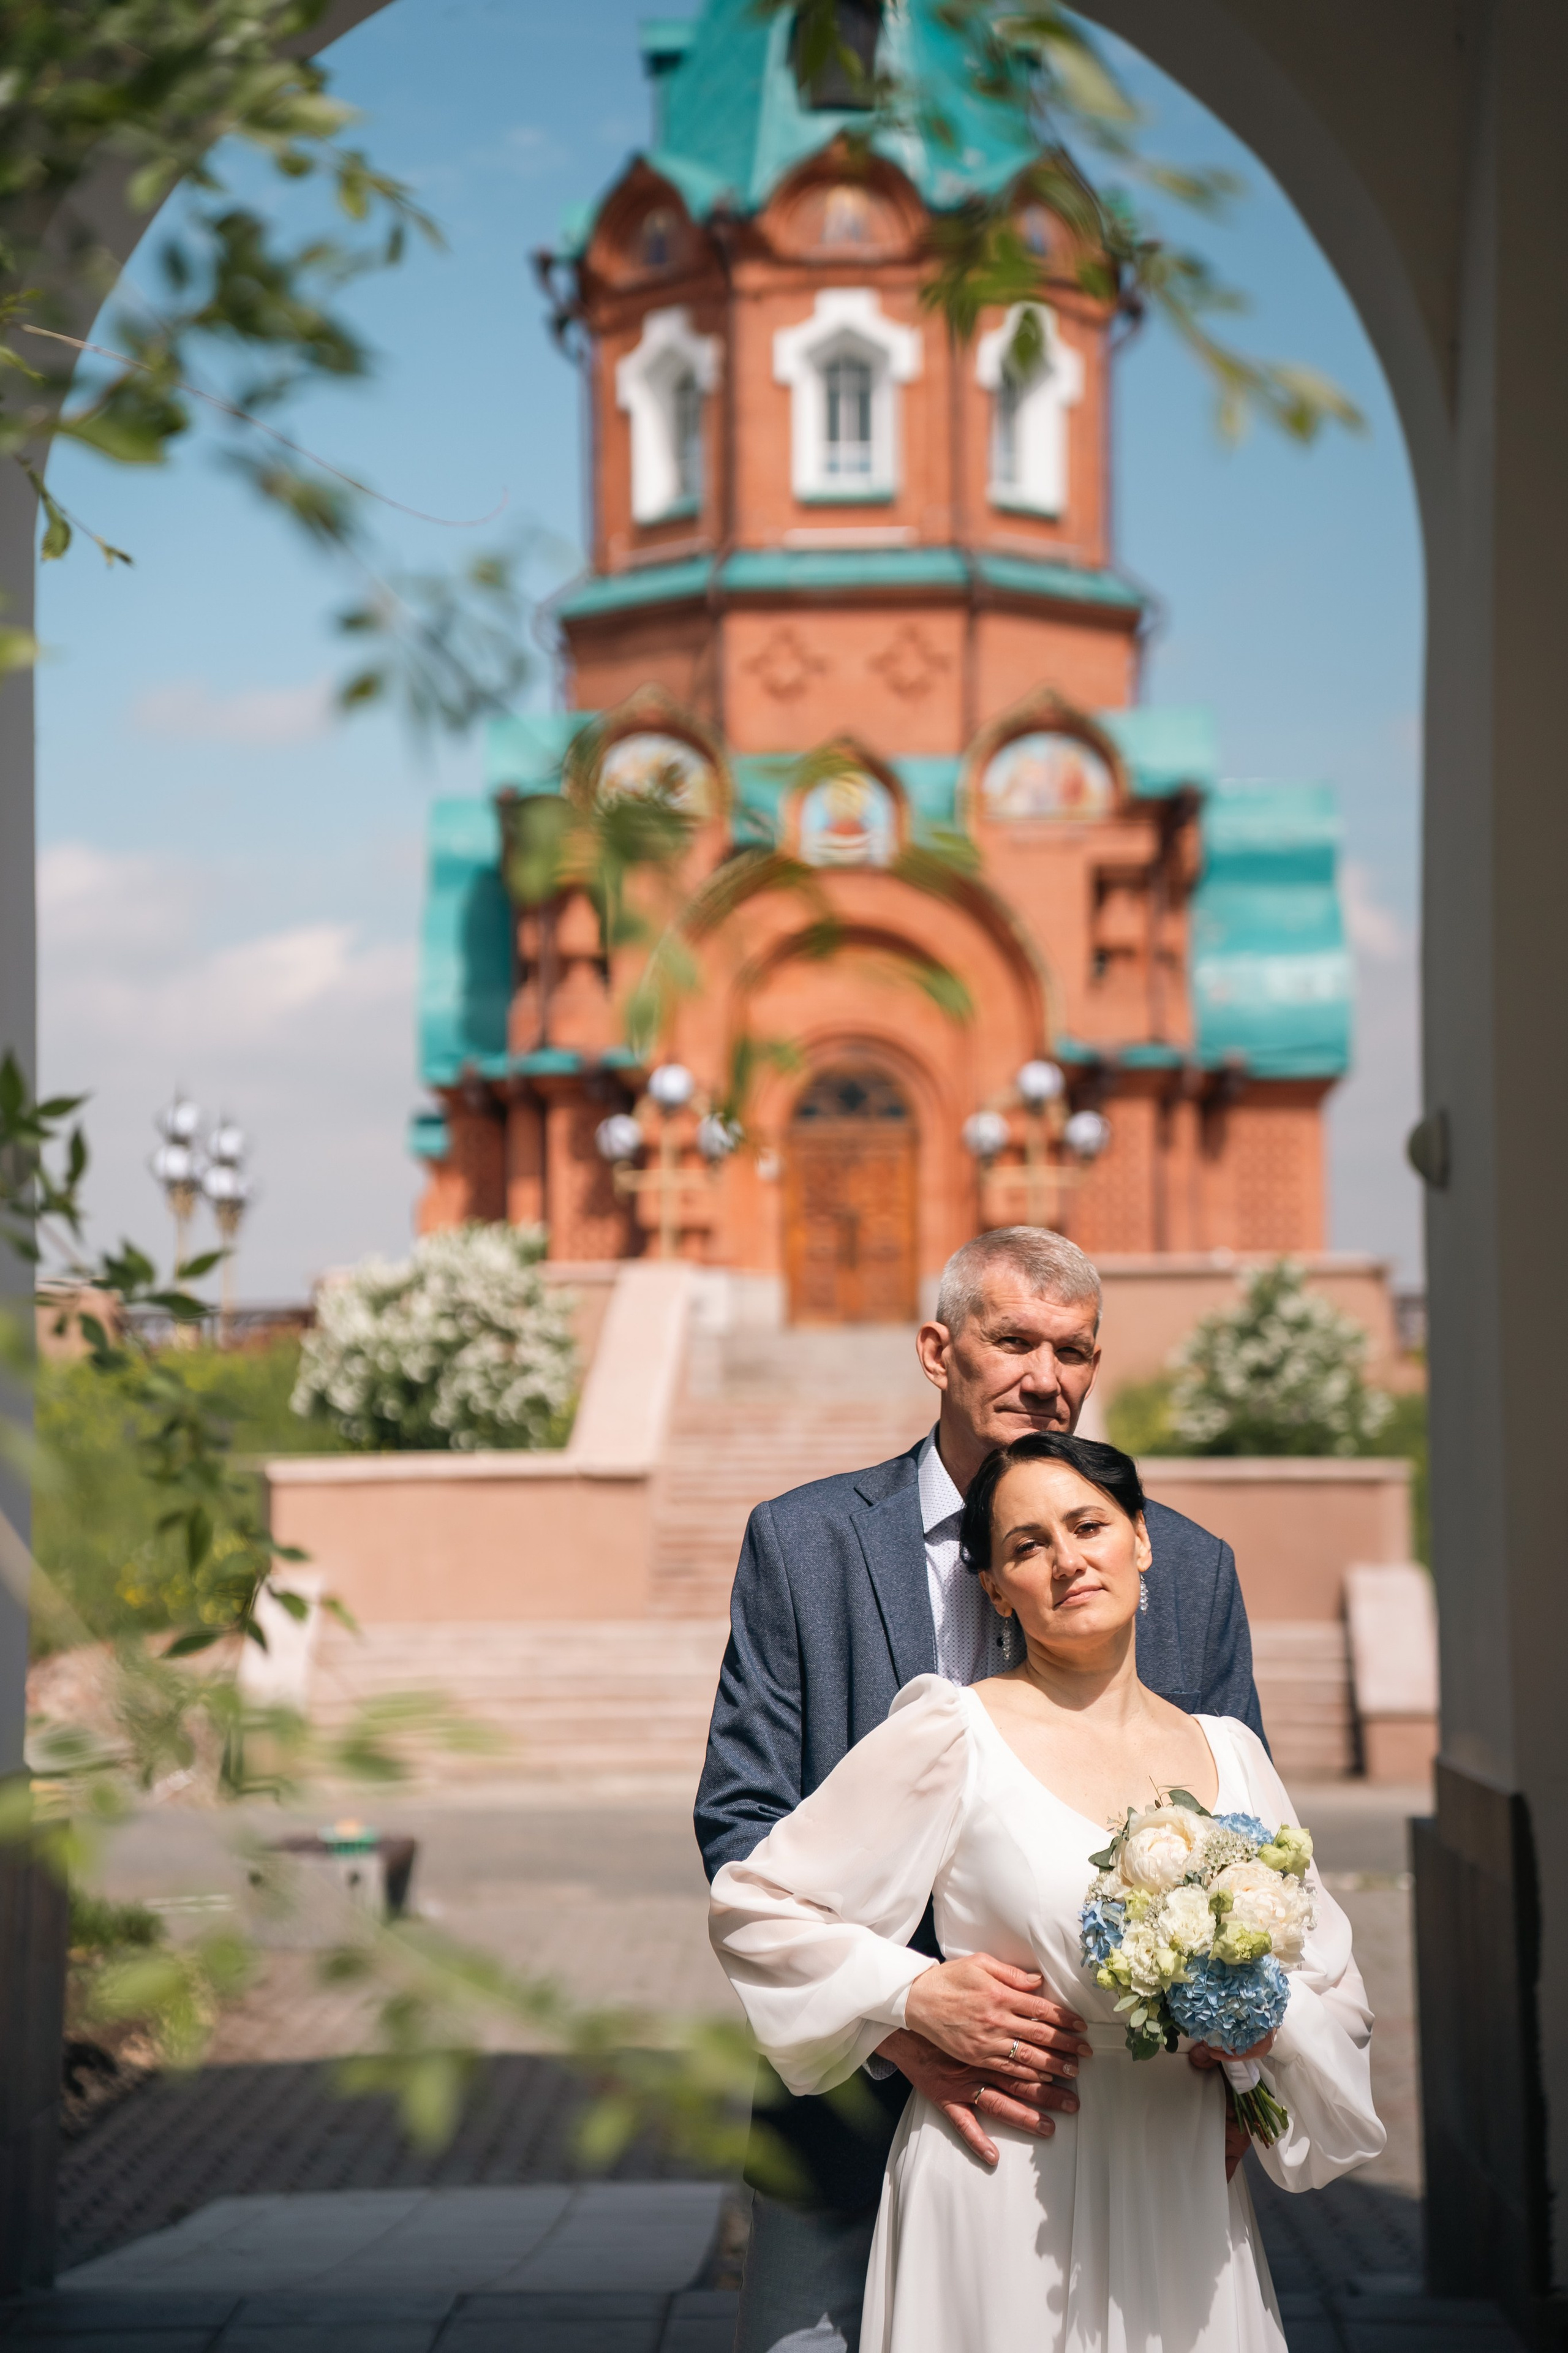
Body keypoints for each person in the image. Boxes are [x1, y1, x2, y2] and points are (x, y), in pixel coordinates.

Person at [695, 1226, 1267, 2352]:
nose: (1046, 1377)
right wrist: (899, 2016)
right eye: (1013, 1341)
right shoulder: (802, 1545)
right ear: (936, 1348)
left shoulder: (1186, 1568)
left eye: (1074, 1349)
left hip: (1111, 2132)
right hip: (848, 2107)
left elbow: (1242, 1841)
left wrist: (1231, 2036)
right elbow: (743, 1820)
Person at [710, 1432, 1384, 2352]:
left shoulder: (1235, 1755)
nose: (1067, 1559)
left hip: (1181, 2182)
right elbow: (758, 1902)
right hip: (1001, 2181)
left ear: (1142, 1539)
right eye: (1027, 1545)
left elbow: (1335, 1991)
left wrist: (1263, 2039)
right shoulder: (953, 1733)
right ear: (994, 1587)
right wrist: (904, 1996)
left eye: (1090, 1525)